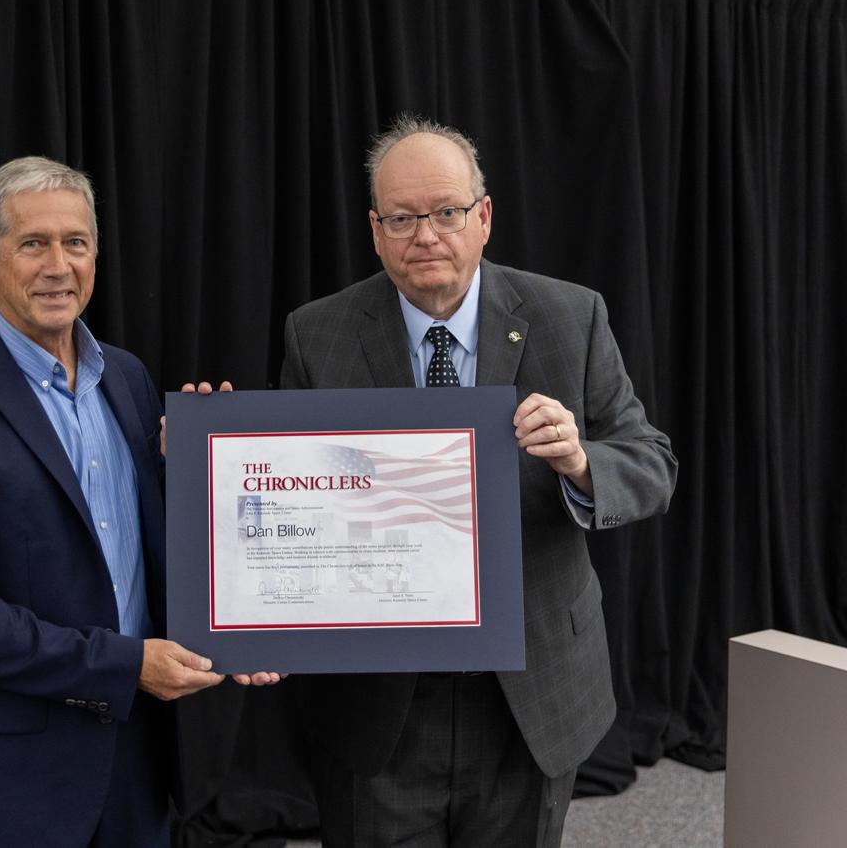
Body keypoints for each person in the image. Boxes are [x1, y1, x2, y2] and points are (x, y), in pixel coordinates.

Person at [281, 117, 678, 846]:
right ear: (375, 231)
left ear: (484, 217)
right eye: (402, 218)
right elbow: (295, 504)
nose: (425, 235)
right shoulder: (318, 334)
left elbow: (651, 464)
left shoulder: (570, 316)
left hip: (529, 694)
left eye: (446, 212)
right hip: (382, 706)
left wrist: (581, 463)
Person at [0, 156, 277, 847]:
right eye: (33, 244)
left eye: (75, 242)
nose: (57, 266)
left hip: (137, 767)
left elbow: (149, 553)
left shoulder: (127, 379)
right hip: (9, 786)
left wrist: (207, 474)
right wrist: (127, 667)